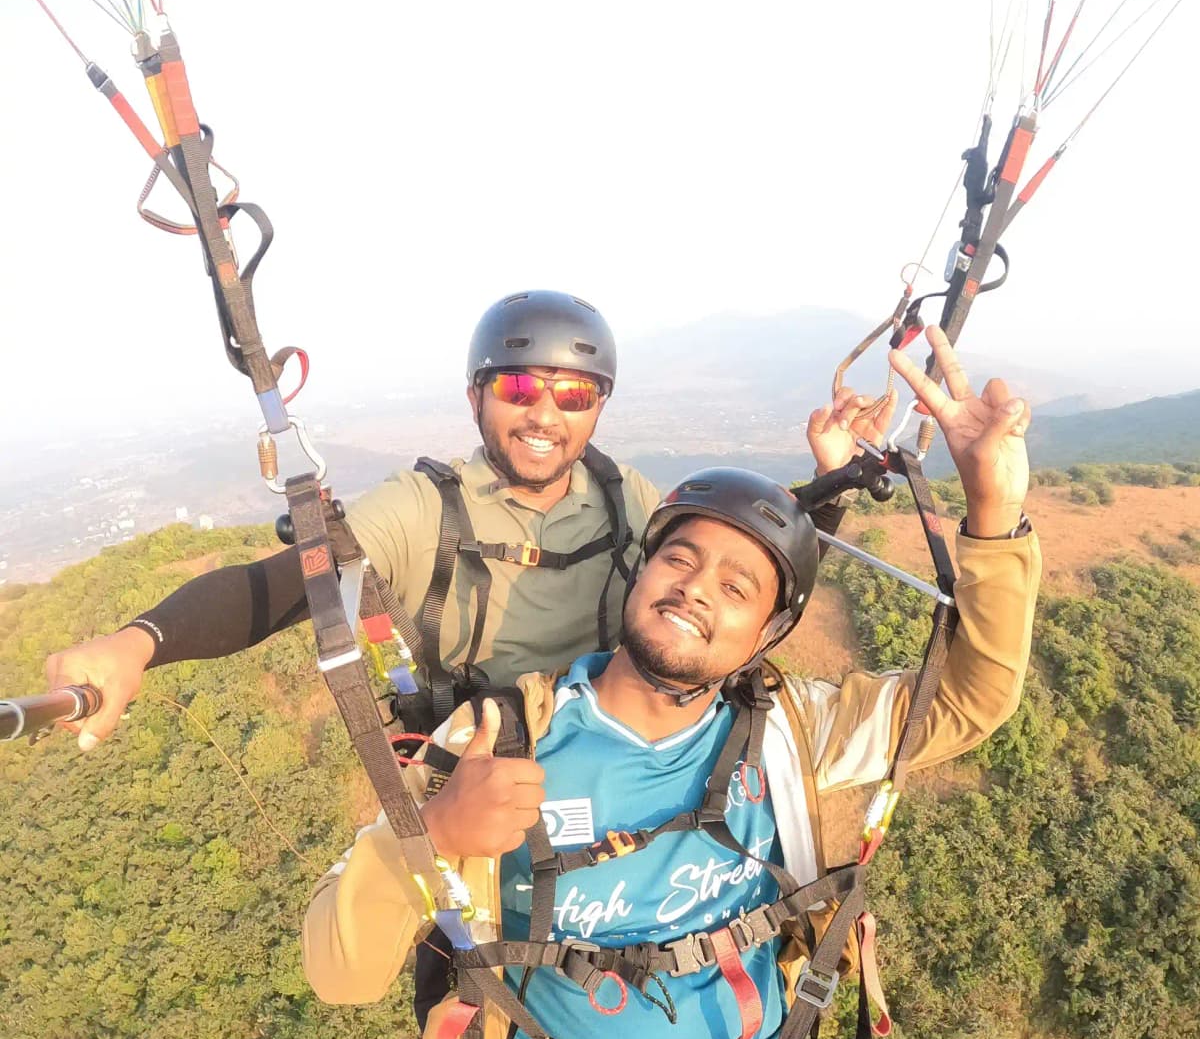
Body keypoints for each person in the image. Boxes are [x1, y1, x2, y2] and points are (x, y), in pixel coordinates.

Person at [300, 332, 1147, 1039]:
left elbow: (969, 698)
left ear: (770, 633)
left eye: (740, 585)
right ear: (638, 577)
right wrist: (431, 839)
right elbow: (338, 969)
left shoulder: (793, 729)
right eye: (679, 562)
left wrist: (992, 513)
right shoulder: (506, 735)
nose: (699, 588)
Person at [43, 289, 893, 747]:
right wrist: (137, 643)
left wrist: (829, 487)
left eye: (573, 394)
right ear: (476, 397)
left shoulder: (624, 493)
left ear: (598, 408)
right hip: (478, 758)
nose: (543, 415)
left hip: (618, 738)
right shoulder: (426, 507)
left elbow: (743, 572)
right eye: (520, 389)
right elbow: (293, 584)